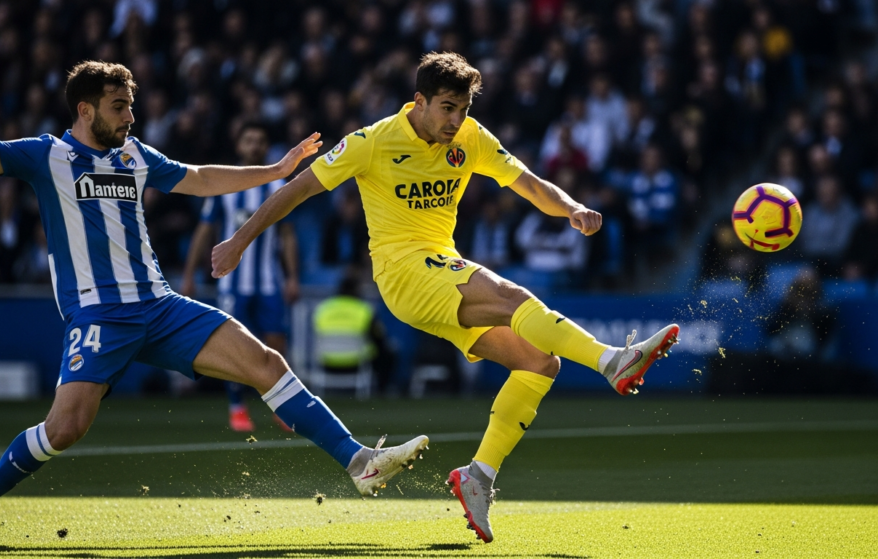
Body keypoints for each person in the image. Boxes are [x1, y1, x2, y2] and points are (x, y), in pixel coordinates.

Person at [0, 59, 427, 545]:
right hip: (100, 314)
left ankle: (359, 461)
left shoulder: (133, 154)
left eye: (131, 105)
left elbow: (196, 178)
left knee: (266, 362)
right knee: (64, 430)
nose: (130, 116)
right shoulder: (46, 156)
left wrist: (273, 171)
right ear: (85, 109)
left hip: (161, 306)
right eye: (119, 106)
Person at [212, 52, 680, 543]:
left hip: (439, 267)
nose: (456, 121)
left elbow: (528, 183)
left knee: (540, 363)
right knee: (509, 297)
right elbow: (296, 191)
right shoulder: (372, 142)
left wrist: (573, 209)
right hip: (403, 272)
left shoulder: (471, 137)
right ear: (419, 101)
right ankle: (612, 361)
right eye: (447, 108)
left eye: (463, 109)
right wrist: (239, 240)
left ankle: (478, 477)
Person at [180, 122, 298, 433]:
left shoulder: (278, 187)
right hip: (233, 284)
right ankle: (237, 407)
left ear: (265, 147)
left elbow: (287, 236)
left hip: (269, 281)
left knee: (276, 343)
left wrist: (292, 277)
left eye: (260, 140)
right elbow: (203, 232)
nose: (254, 145)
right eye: (249, 140)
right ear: (239, 146)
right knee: (234, 347)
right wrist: (190, 274)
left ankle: (282, 407)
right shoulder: (224, 188)